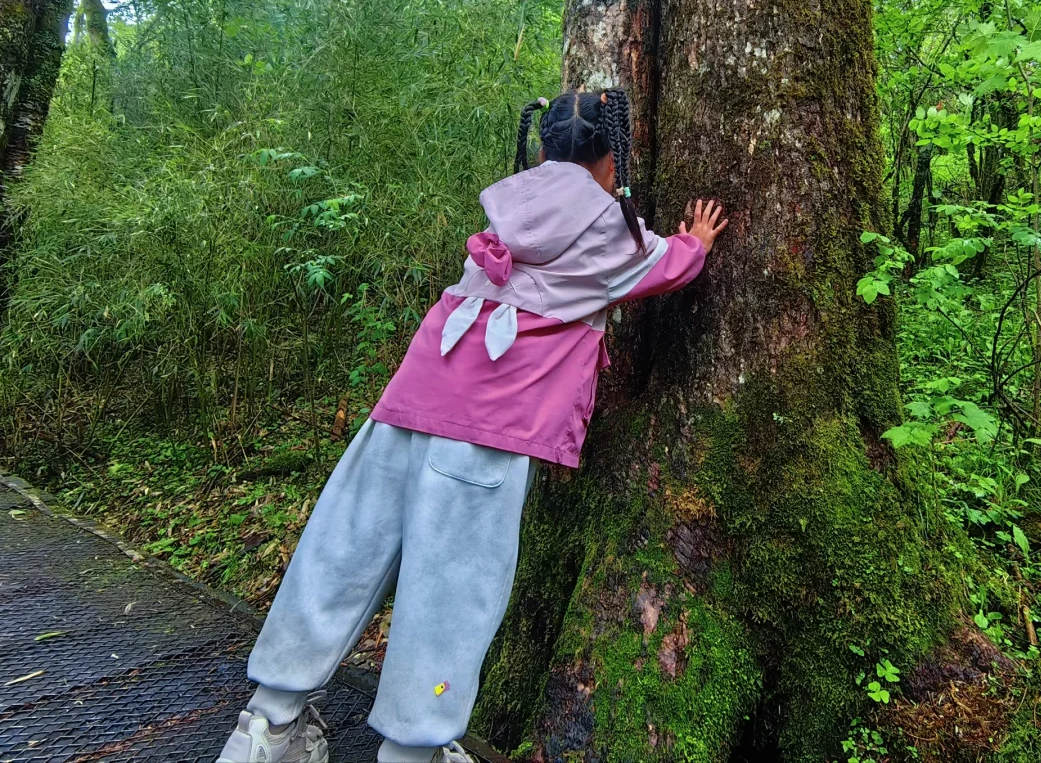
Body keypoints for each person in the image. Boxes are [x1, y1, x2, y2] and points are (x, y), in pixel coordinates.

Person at [217, 89, 727, 763]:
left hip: (412, 396)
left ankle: (267, 724)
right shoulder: (609, 227)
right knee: (453, 587)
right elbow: (666, 267)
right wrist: (695, 241)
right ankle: (412, 751)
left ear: (543, 147)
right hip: (490, 424)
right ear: (612, 159)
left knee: (343, 553)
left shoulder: (512, 203)